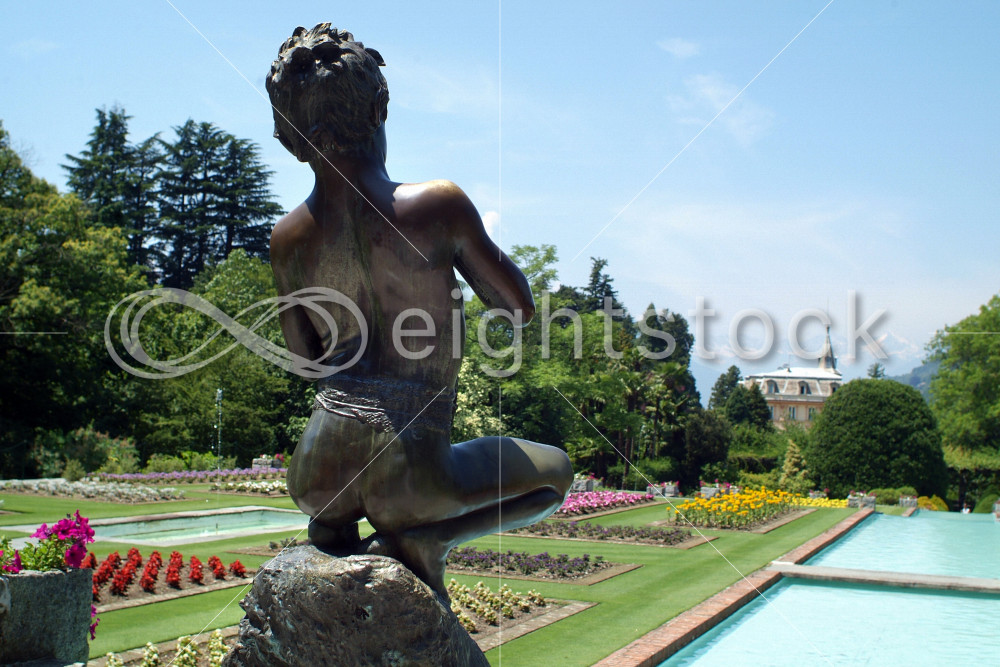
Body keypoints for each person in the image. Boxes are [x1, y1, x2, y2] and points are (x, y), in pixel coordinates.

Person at [266, 23, 572, 595]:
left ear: (291, 139)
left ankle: (331, 529)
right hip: (410, 474)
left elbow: (306, 361)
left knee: (334, 508)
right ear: (379, 109)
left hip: (316, 472)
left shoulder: (287, 239)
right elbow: (516, 308)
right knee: (554, 474)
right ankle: (432, 540)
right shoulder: (437, 206)